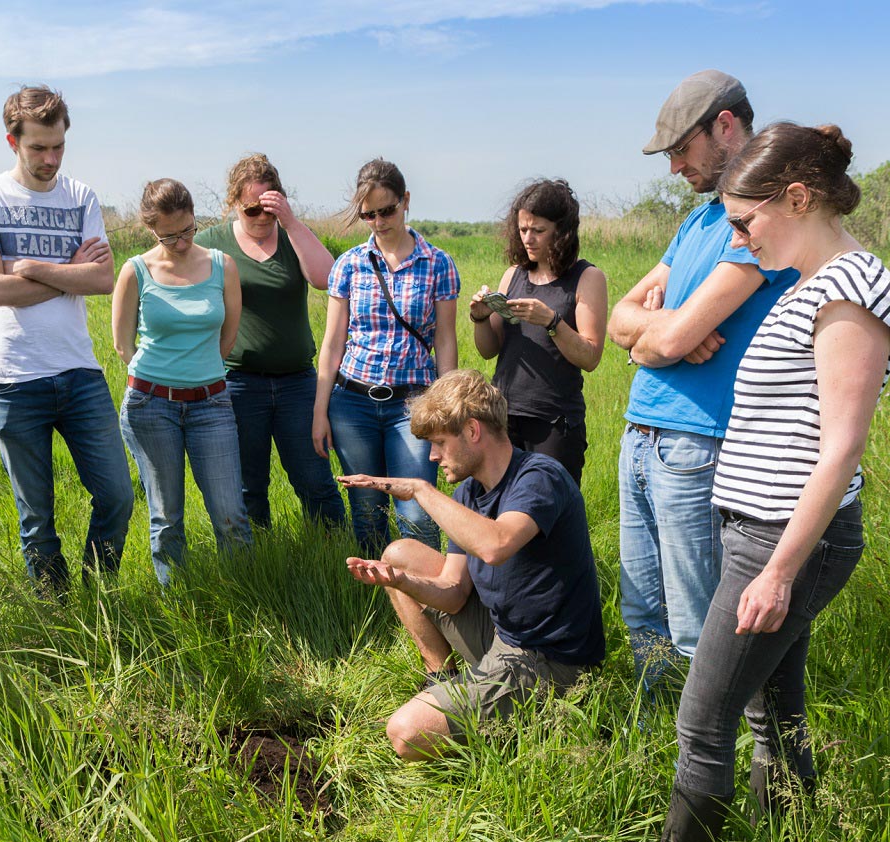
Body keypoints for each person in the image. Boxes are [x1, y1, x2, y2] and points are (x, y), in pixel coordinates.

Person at [631, 124, 890, 842]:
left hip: (783, 541)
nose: (737, 239)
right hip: (754, 527)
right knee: (774, 704)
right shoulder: (805, 281)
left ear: (798, 199)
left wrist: (779, 570)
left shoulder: (848, 286)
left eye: (746, 223)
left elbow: (843, 445)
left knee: (701, 718)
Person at [607, 71, 796, 692]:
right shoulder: (698, 220)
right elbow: (619, 321)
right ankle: (659, 740)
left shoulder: (759, 221)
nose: (673, 169)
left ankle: (710, 760)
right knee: (642, 613)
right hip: (640, 434)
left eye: (680, 150)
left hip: (697, 442)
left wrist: (662, 335)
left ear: (725, 125)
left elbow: (664, 340)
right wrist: (663, 328)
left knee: (697, 627)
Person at [340, 370, 604, 760]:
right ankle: (443, 680)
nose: (432, 456)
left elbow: (496, 544)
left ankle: (535, 728)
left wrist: (420, 490)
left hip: (549, 661)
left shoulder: (539, 478)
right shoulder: (469, 491)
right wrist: (401, 582)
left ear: (473, 430)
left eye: (440, 444)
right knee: (399, 554)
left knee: (404, 733)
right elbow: (453, 592)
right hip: (502, 633)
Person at [0, 84, 134, 591]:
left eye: (58, 146)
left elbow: (101, 281)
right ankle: (56, 611)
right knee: (37, 516)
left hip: (79, 372)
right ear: (12, 142)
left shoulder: (81, 197)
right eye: (38, 147)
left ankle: (99, 595)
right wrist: (65, 270)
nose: (50, 158)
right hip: (14, 378)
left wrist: (30, 267)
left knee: (118, 496)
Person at [313, 159, 459, 555]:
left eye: (387, 210)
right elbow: (331, 345)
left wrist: (448, 412)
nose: (379, 221)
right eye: (369, 214)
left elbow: (446, 342)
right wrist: (319, 411)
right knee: (366, 508)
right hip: (351, 404)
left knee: (416, 511)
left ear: (405, 201)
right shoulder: (349, 264)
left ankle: (427, 598)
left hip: (413, 405)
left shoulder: (438, 263)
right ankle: (380, 596)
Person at [195, 153, 345, 529]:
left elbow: (328, 278)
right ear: (233, 205)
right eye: (251, 210)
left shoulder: (293, 235)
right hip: (239, 381)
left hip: (298, 381)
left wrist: (291, 222)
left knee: (315, 478)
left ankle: (335, 552)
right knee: (249, 485)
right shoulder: (211, 245)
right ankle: (260, 559)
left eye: (270, 209)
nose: (261, 218)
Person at [113, 179, 251, 585]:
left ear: (195, 218)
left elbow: (228, 336)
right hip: (150, 406)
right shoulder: (135, 271)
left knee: (231, 515)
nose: (181, 241)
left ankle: (245, 596)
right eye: (169, 235)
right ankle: (178, 601)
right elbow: (123, 344)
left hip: (212, 403)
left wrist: (199, 368)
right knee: (166, 516)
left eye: (188, 230)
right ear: (151, 229)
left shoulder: (222, 265)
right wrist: (167, 374)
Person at [468, 179, 607, 485]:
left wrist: (552, 322)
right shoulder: (514, 274)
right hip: (502, 415)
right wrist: (480, 318)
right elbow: (489, 349)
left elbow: (591, 356)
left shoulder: (587, 277)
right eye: (522, 230)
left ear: (562, 230)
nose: (528, 239)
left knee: (547, 512)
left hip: (554, 423)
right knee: (500, 510)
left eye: (538, 231)